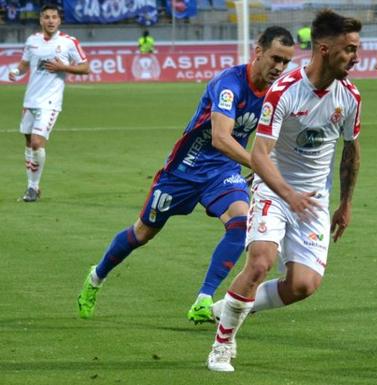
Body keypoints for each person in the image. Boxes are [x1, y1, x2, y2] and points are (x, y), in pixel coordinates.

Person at [76, 26, 296, 324]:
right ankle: (96, 276)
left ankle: (203, 299)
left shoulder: (275, 91)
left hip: (223, 171)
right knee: (143, 233)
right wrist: (258, 166)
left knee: (241, 223)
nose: (279, 67)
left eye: (285, 61)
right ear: (258, 52)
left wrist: (262, 166)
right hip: (184, 170)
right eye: (275, 59)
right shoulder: (229, 83)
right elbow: (220, 138)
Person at [207, 9, 362, 372]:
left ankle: (228, 306)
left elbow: (351, 152)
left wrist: (346, 204)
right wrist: (288, 194)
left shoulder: (351, 96)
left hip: (313, 201)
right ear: (325, 49)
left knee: (304, 285)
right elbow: (260, 155)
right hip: (275, 191)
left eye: (356, 49)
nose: (355, 57)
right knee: (260, 260)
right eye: (349, 49)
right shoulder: (283, 92)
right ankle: (223, 345)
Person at [9, 4, 89, 202]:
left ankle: (34, 187)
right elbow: (24, 64)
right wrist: (16, 72)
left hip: (50, 102)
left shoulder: (69, 42)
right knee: (29, 143)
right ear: (41, 20)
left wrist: (64, 67)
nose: (51, 20)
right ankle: (31, 186)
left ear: (59, 20)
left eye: (54, 17)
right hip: (30, 100)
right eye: (47, 17)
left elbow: (86, 67)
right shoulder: (32, 41)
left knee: (37, 142)